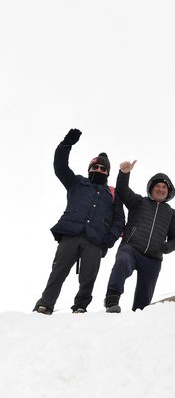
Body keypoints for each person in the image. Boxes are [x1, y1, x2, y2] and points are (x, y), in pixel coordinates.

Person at [33, 128, 125, 314]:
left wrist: (110, 238)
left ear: (107, 173)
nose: (98, 170)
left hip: (96, 240)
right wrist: (66, 144)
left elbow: (119, 221)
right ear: (89, 169)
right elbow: (60, 167)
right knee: (58, 271)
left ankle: (81, 306)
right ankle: (45, 304)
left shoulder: (113, 194)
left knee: (88, 276)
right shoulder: (76, 183)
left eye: (102, 168)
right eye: (95, 167)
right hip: (71, 235)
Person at [104, 160, 175, 312]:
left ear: (169, 191)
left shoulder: (172, 213)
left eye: (164, 187)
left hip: (153, 259)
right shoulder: (139, 202)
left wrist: (166, 247)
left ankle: (138, 320)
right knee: (122, 261)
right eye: (157, 186)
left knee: (143, 303)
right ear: (151, 189)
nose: (161, 189)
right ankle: (112, 300)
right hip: (131, 248)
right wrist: (124, 174)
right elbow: (122, 190)